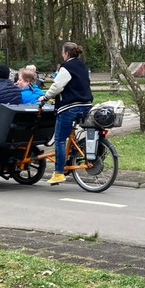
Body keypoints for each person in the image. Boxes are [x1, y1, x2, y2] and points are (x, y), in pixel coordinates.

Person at [40, 42, 94, 185]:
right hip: (86, 104)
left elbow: (57, 86)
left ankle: (58, 173)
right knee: (70, 135)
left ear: (66, 53)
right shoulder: (83, 65)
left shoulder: (66, 67)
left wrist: (45, 97)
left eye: (62, 52)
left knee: (59, 140)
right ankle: (72, 155)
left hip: (70, 106)